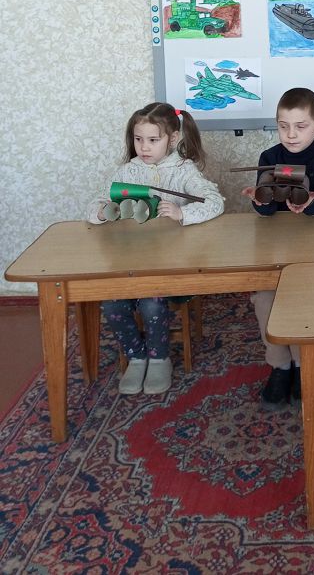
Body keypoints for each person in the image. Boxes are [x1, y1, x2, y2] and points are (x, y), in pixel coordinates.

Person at [87, 103, 224, 395]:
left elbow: (215, 202)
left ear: (172, 138)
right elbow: (95, 203)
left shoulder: (183, 170)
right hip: (129, 263)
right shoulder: (128, 171)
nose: (144, 147)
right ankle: (136, 357)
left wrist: (182, 213)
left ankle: (159, 358)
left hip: (170, 265)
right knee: (112, 303)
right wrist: (100, 211)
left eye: (153, 140)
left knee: (151, 302)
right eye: (138, 139)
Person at [243, 88, 314, 410]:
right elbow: (266, 211)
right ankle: (279, 365)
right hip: (275, 247)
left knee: (304, 303)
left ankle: (301, 363)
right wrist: (260, 201)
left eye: (300, 126)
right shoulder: (269, 157)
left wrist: (311, 203)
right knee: (265, 301)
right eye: (283, 126)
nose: (291, 134)